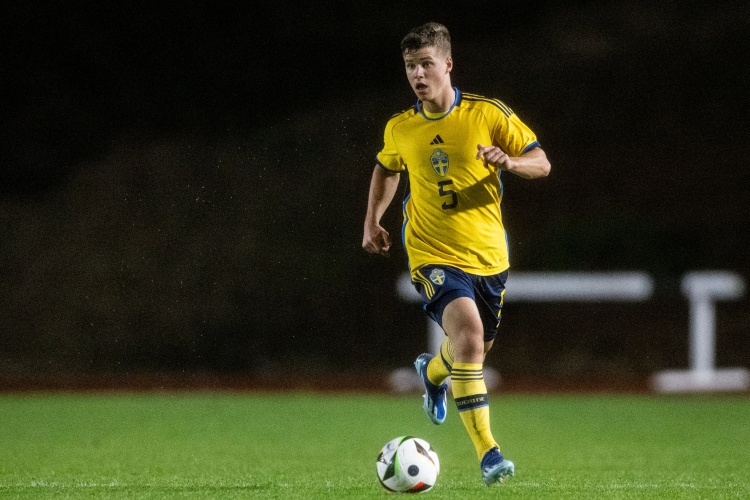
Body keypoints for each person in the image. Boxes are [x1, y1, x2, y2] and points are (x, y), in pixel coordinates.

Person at [362, 22, 550, 485]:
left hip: (489, 257)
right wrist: (372, 220)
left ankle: (432, 373)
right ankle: (489, 454)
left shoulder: (487, 114)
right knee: (469, 336)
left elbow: (541, 162)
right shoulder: (401, 127)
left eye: (426, 64)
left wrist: (510, 161)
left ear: (447, 64)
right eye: (410, 66)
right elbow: (387, 168)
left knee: (472, 349)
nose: (417, 74)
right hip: (431, 252)